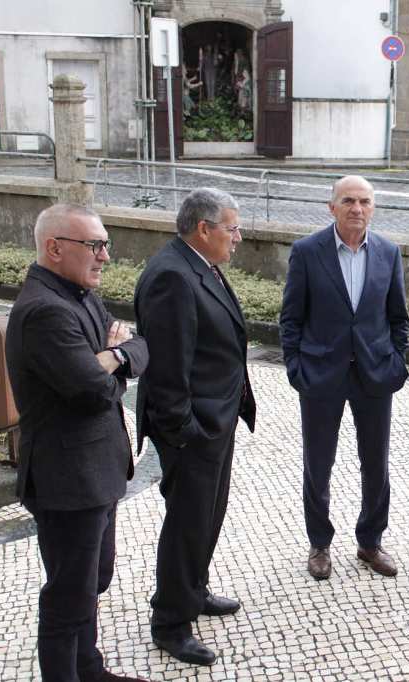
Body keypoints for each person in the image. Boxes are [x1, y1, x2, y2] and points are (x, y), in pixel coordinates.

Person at [5, 203, 150, 682]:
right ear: (55, 248)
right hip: (67, 481)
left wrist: (109, 357)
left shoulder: (80, 294)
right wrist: (113, 360)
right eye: (95, 245)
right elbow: (91, 391)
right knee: (68, 594)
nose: (105, 256)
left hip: (98, 471)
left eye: (105, 244)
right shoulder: (44, 310)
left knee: (93, 581)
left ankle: (89, 668)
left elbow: (138, 347)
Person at [135, 188, 256, 666]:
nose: (238, 238)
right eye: (231, 228)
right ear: (203, 229)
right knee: (187, 522)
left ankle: (193, 589)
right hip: (193, 429)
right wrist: (185, 430)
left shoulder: (198, 266)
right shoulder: (172, 276)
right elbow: (167, 369)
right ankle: (170, 620)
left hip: (215, 420)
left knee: (206, 515)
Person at [280, 175, 409, 581]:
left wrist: (394, 362)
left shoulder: (389, 252)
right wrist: (296, 368)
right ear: (331, 206)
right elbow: (291, 318)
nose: (357, 208)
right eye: (349, 201)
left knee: (376, 464)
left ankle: (370, 540)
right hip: (320, 375)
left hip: (374, 376)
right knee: (318, 464)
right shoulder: (306, 251)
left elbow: (398, 318)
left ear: (374, 207)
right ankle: (319, 543)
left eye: (365, 202)